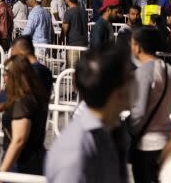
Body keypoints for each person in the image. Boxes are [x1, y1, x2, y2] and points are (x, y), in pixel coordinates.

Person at [45, 47, 133, 183]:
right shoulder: (74, 151)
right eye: (130, 78)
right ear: (118, 93)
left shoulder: (112, 132)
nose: (135, 82)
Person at [129, 26, 171, 183]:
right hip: (164, 140)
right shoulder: (169, 70)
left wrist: (129, 129)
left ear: (138, 46)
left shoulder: (143, 72)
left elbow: (139, 110)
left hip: (145, 146)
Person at [0, 55, 49, 175]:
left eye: (5, 73)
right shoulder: (31, 94)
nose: (3, 78)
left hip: (21, 164)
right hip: (30, 161)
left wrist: (1, 173)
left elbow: (19, 140)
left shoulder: (22, 101)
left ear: (14, 75)